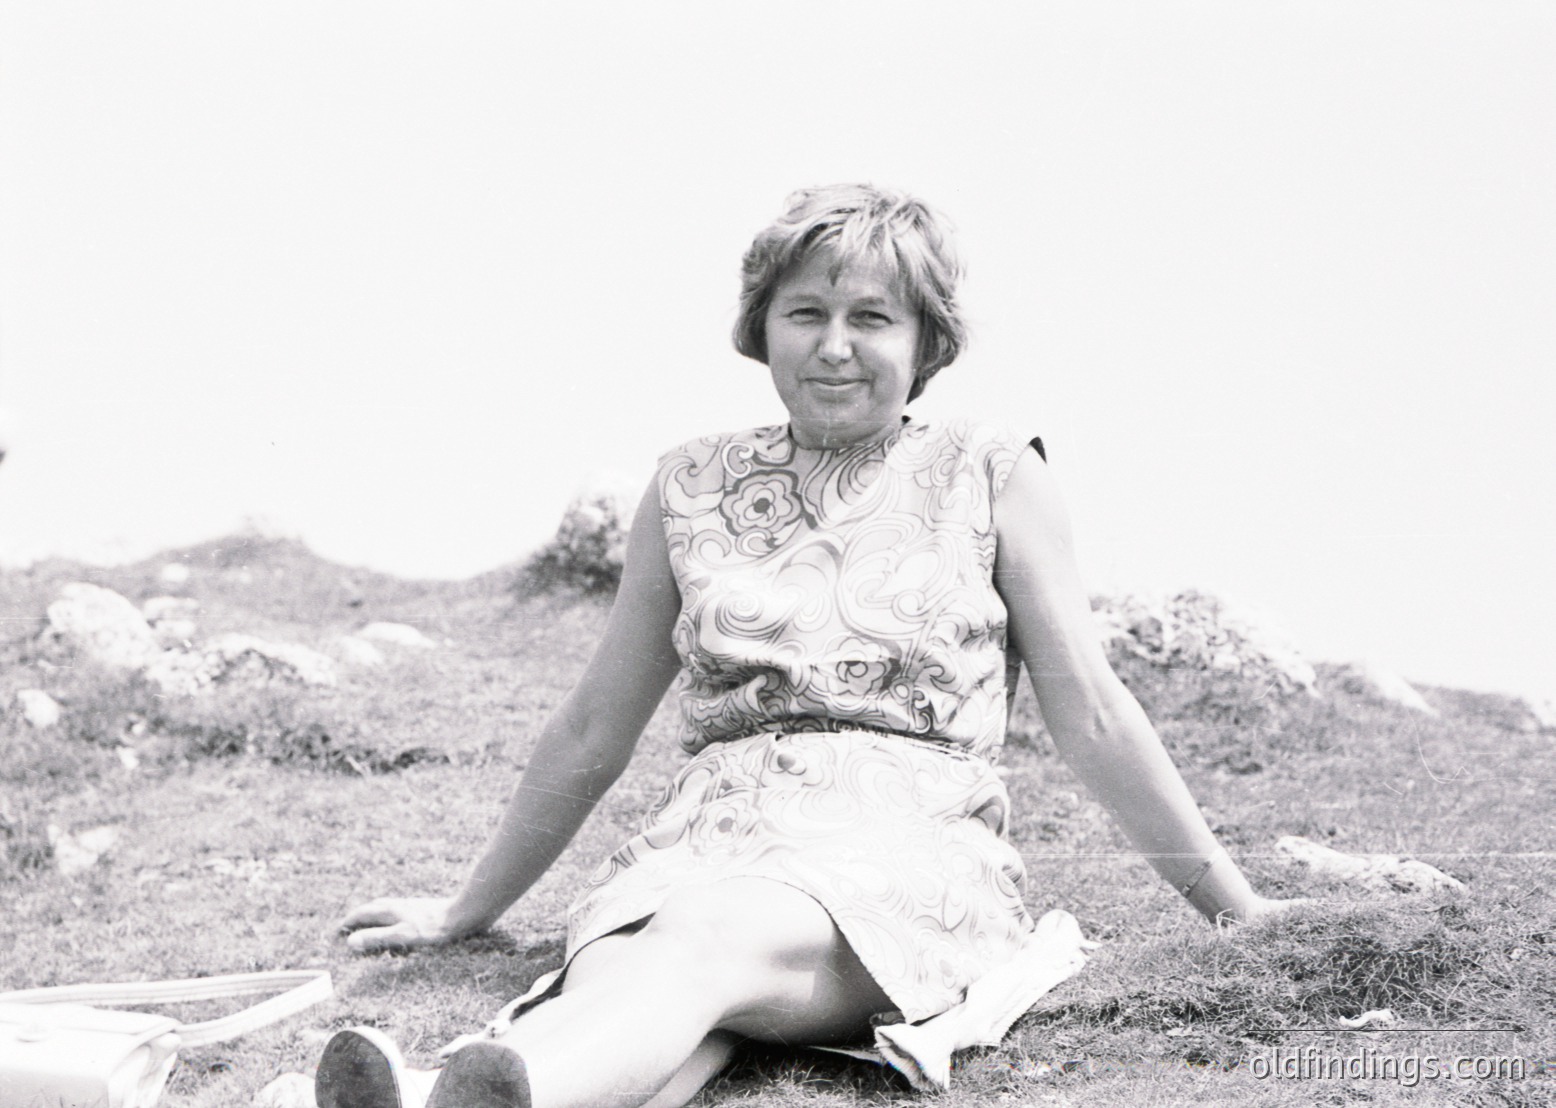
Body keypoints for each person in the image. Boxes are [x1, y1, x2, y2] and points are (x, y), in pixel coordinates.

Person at [317, 184, 1296, 1108]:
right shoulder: (687, 485)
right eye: (805, 314)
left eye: (871, 318)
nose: (834, 347)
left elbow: (1088, 709)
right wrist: (464, 908)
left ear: (925, 341)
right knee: (633, 973)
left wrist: (1234, 910)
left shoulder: (986, 472)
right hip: (705, 835)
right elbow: (589, 727)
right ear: (761, 329)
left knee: (701, 941)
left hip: (903, 845)